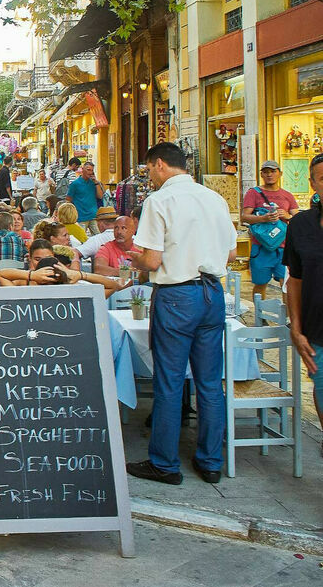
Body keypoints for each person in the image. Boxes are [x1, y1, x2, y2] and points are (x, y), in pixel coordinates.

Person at [125, 141, 237, 487]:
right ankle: (210, 462)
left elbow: (153, 260)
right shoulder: (214, 198)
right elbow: (231, 253)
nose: (149, 177)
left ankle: (165, 463)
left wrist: (136, 259)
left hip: (177, 295)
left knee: (170, 381)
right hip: (212, 292)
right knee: (208, 382)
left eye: (148, 170)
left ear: (159, 165)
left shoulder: (159, 201)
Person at [284, 152, 323, 432]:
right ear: (313, 184)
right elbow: (294, 280)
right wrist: (296, 329)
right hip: (317, 331)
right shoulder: (301, 225)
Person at [242, 160, 299, 301]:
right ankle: (259, 318)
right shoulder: (253, 193)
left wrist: (287, 216)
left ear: (280, 173)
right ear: (261, 174)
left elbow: (298, 219)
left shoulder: (287, 195)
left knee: (286, 284)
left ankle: (288, 317)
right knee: (260, 284)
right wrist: (264, 218)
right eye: (266, 172)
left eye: (273, 171)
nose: (269, 175)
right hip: (261, 247)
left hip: (284, 247)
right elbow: (244, 217)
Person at [0, 241, 128, 297]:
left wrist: (79, 275)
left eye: (48, 258)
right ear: (30, 259)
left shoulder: (70, 286)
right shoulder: (23, 284)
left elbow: (112, 286)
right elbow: (1, 274)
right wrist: (33, 275)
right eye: (38, 259)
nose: (44, 263)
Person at [66, 160, 104, 235]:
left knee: (99, 237)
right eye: (88, 170)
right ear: (82, 169)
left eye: (92, 170)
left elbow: (100, 196)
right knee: (81, 239)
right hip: (81, 217)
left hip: (93, 215)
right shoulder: (75, 184)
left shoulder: (94, 183)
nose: (90, 172)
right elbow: (68, 199)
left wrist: (96, 182)